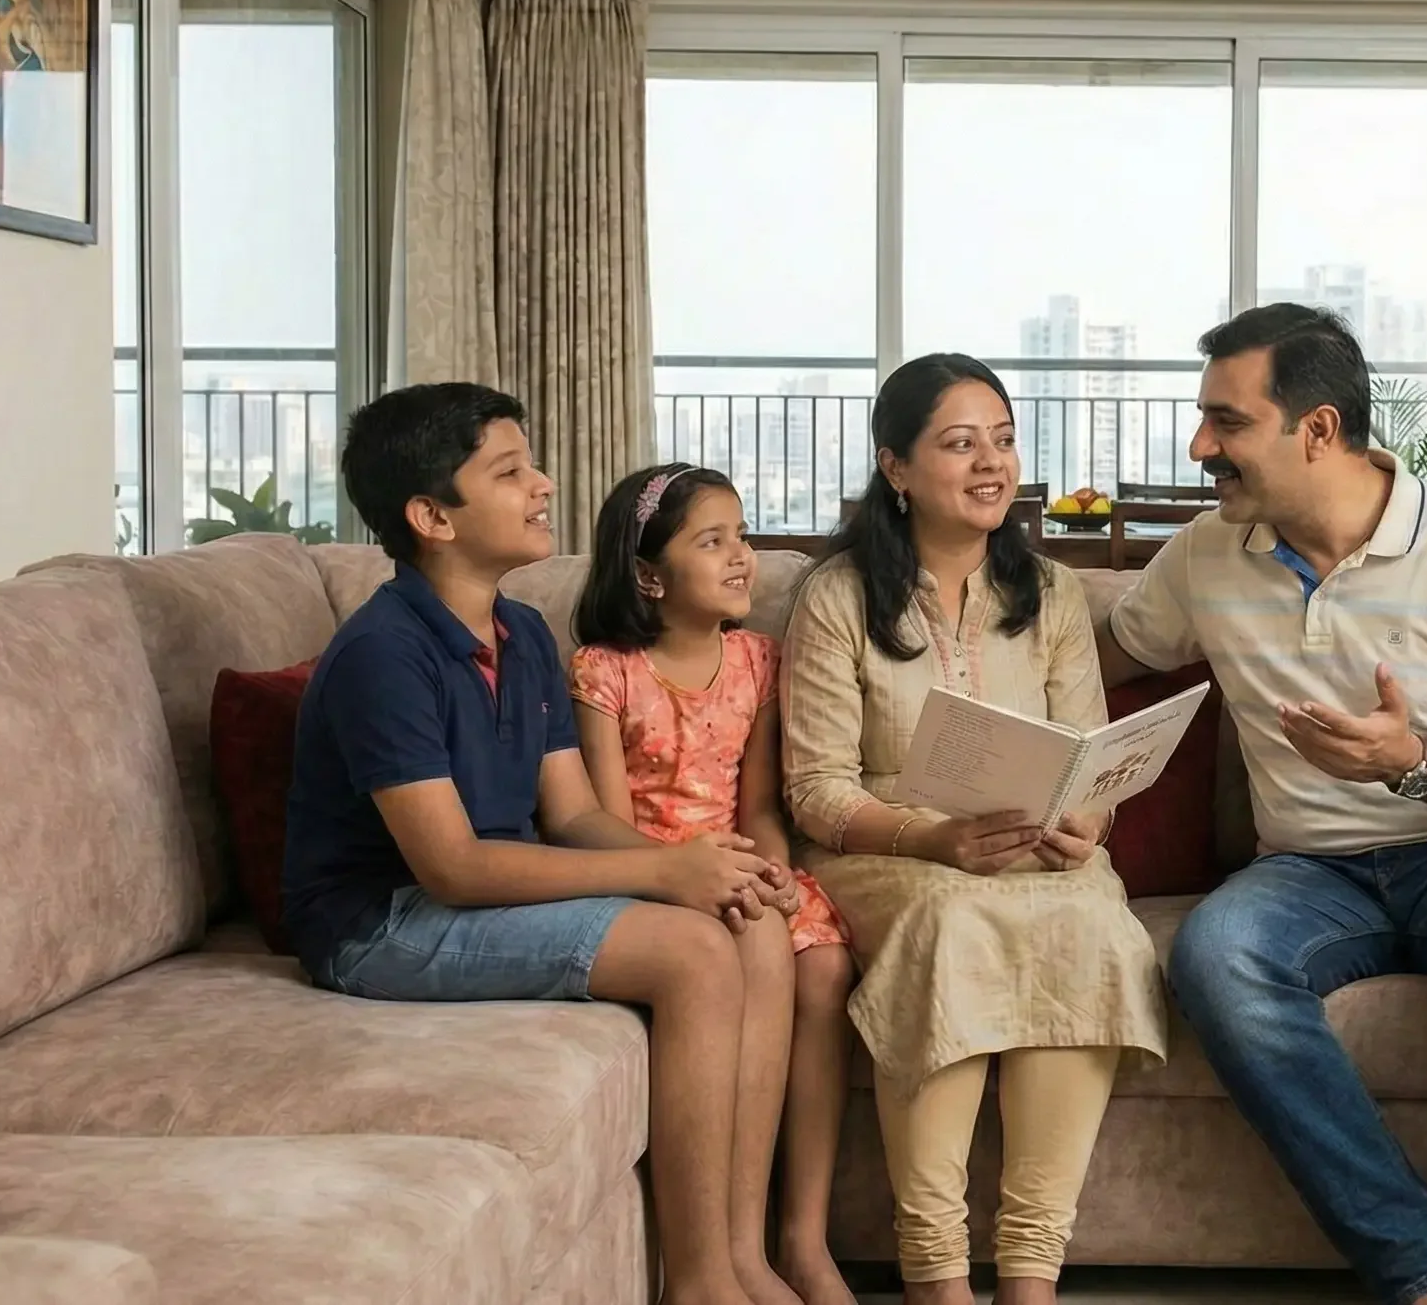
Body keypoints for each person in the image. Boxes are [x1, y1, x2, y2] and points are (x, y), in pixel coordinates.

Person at [1093, 305, 1427, 1305]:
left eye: (1225, 423)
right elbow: (1094, 656)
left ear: (1316, 429)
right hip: (1310, 870)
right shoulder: (1206, 554)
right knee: (1212, 954)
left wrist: (1408, 759)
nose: (1200, 447)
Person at [280, 382, 779, 1305]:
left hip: (478, 891)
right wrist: (666, 876)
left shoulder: (521, 628)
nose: (544, 484)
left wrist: (693, 868)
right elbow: (456, 868)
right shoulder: (383, 655)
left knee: (741, 918)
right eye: (509, 472)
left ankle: (743, 1256)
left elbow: (574, 815)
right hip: (379, 922)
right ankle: (703, 1284)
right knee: (694, 955)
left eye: (531, 462)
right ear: (431, 515)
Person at [778, 353, 1167, 1305]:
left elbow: (1091, 754)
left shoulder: (1053, 594)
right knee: (952, 925)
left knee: (1096, 924)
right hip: (889, 851)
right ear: (896, 468)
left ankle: (1031, 1279)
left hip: (1036, 854)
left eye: (1002, 439)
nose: (991, 462)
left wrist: (1085, 819)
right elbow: (814, 787)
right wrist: (931, 840)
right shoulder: (836, 598)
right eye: (960, 443)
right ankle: (936, 1278)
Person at [569, 462, 859, 1305]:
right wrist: (690, 879)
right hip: (653, 877)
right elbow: (603, 823)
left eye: (743, 535)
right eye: (712, 541)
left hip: (740, 855)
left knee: (826, 962)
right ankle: (734, 1257)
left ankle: (791, 1244)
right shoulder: (603, 671)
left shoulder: (759, 661)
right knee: (756, 935)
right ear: (650, 574)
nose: (742, 557)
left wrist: (769, 866)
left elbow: (762, 803)